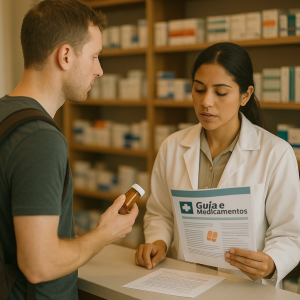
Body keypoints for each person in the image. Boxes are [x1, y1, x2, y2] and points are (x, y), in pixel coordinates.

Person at [0, 0, 138, 299]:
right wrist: (105, 234)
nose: (99, 70)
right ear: (65, 55)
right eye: (95, 56)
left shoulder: (5, 115)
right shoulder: (39, 138)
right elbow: (40, 264)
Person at [135, 42, 300, 288]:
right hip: (183, 282)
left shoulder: (276, 153)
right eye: (199, 89)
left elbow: (289, 232)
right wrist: (158, 242)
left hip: (243, 287)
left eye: (220, 93)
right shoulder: (172, 146)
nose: (206, 102)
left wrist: (271, 263)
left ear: (245, 95)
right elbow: (161, 213)